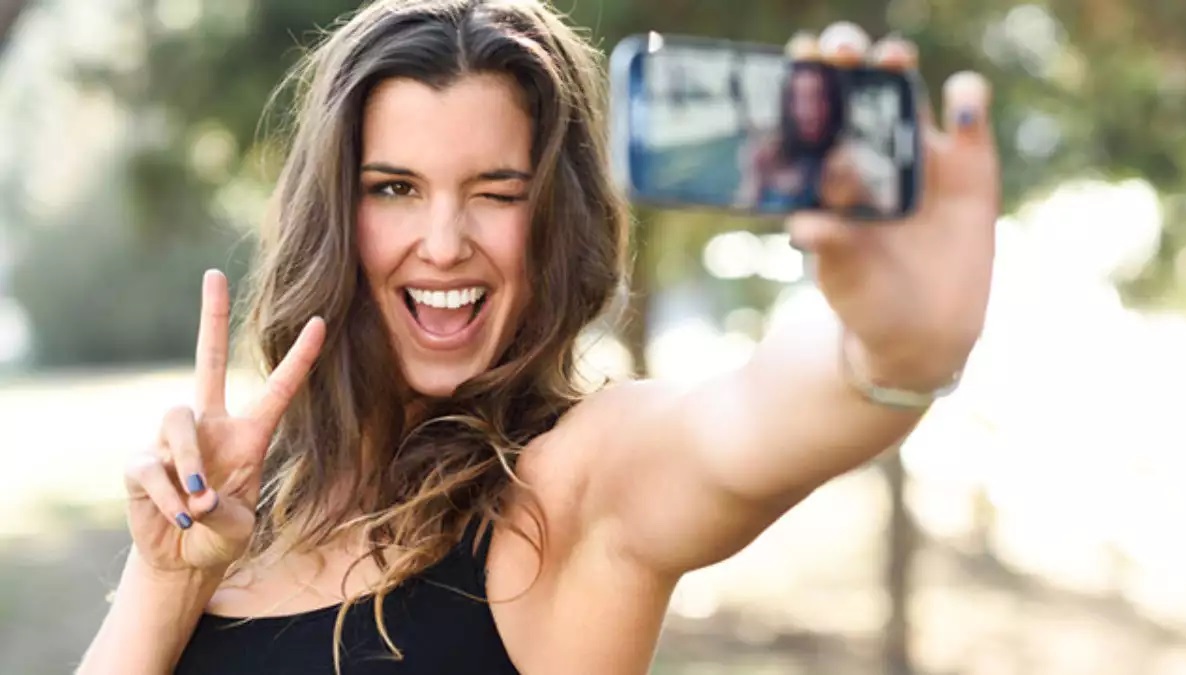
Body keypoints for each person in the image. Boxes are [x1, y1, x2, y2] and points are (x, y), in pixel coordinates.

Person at [78, 1, 998, 673]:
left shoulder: (566, 485)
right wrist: (166, 576)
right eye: (395, 188)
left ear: (552, 217)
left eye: (497, 191)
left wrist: (894, 344)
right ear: (333, 214)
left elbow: (747, 424)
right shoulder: (246, 499)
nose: (445, 242)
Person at [737, 60, 845, 211]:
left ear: (833, 104)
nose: (809, 111)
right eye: (800, 99)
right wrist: (754, 174)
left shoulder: (844, 161)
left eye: (817, 98)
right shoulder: (768, 153)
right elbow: (744, 208)